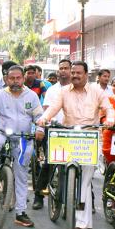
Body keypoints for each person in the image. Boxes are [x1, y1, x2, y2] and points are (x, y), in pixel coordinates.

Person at [37, 61, 115, 229]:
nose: (75, 75)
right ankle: (65, 200)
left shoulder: (97, 91)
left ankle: (82, 222)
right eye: (73, 73)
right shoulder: (63, 92)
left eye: (79, 73)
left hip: (89, 138)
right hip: (68, 135)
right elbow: (53, 108)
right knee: (65, 172)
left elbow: (108, 108)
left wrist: (109, 118)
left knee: (86, 180)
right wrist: (44, 118)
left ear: (87, 74)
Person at [0, 65, 45, 227]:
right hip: (2, 132)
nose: (15, 81)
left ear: (23, 78)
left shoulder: (32, 96)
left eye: (18, 78)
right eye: (11, 78)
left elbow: (39, 115)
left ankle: (20, 213)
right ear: (6, 79)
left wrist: (40, 128)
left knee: (21, 175)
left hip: (23, 138)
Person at [32, 59, 72, 210]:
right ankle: (39, 196)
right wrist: (41, 128)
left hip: (73, 131)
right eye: (61, 68)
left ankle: (89, 200)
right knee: (50, 162)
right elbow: (46, 110)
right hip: (54, 130)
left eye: (66, 68)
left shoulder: (78, 89)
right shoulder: (53, 90)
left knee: (79, 165)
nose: (63, 71)